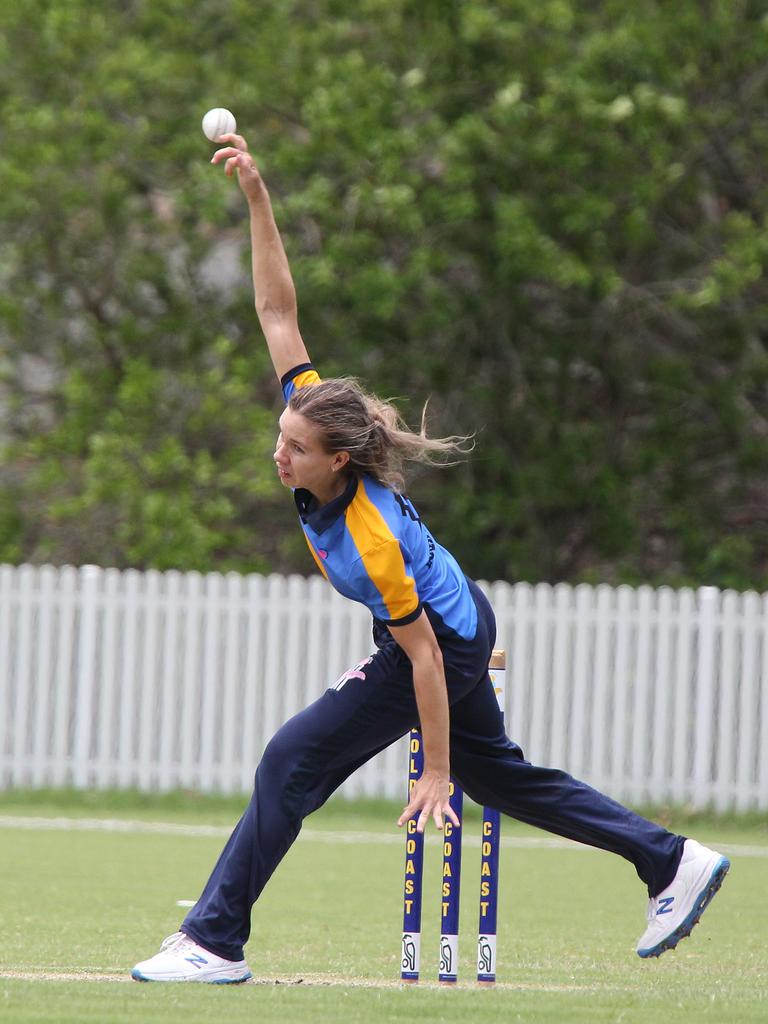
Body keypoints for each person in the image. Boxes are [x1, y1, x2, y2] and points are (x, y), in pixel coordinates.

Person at [131, 133, 729, 984]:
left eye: (295, 448)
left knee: (290, 760)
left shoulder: (371, 537)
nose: (280, 453)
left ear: (339, 459)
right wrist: (257, 198)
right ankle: (672, 862)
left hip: (437, 640)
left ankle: (214, 940)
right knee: (511, 781)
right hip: (453, 615)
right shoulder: (313, 410)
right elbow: (275, 312)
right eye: (281, 437)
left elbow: (418, 656)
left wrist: (439, 773)